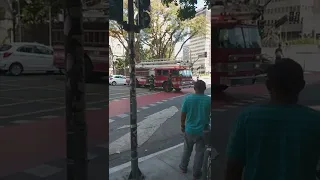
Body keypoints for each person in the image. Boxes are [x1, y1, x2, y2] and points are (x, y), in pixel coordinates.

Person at [225, 58, 320, 180]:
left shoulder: (247, 118)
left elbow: (233, 168)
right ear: (302, 86)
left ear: (268, 85)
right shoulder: (314, 121)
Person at [179, 80, 211, 179]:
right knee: (200, 153)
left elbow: (183, 114)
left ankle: (183, 167)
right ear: (205, 88)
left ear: (194, 88)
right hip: (203, 131)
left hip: (189, 130)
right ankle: (196, 173)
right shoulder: (209, 100)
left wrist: (182, 126)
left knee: (187, 150)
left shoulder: (188, 99)